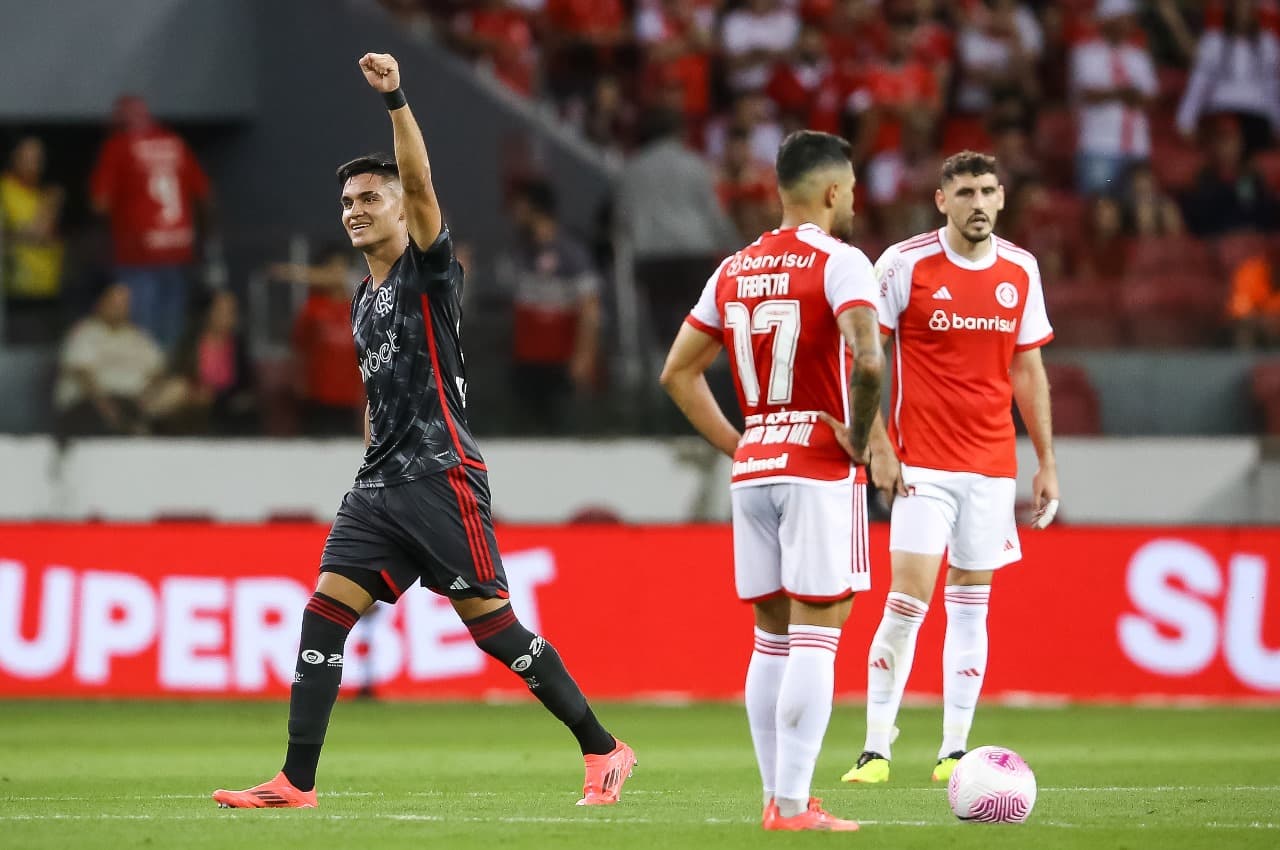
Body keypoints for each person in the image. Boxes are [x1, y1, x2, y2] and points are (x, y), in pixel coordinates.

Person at [212, 53, 633, 809]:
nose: (355, 210)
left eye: (370, 197)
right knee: (322, 614)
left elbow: (421, 184)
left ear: (402, 210)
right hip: (379, 486)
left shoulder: (427, 272)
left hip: (441, 478)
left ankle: (604, 749)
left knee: (496, 630)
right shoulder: (362, 298)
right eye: (346, 201)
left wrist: (396, 98)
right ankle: (294, 782)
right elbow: (379, 393)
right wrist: (370, 445)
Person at [660, 130, 883, 832]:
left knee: (770, 636)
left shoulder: (735, 268)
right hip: (817, 461)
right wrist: (860, 433)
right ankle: (791, 805)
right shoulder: (843, 262)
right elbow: (869, 360)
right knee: (819, 630)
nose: (852, 201)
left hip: (755, 466)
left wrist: (741, 443)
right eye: (849, 189)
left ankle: (777, 795)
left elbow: (678, 373)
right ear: (832, 192)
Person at [840, 151, 1058, 786]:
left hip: (992, 468)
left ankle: (954, 750)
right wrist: (877, 442)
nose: (979, 203)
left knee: (971, 607)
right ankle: (876, 747)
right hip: (921, 467)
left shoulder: (1021, 269)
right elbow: (865, 357)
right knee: (907, 599)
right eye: (965, 192)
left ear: (1002, 198)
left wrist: (1045, 462)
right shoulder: (904, 264)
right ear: (941, 201)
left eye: (989, 191)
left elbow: (1027, 370)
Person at [90, 95, 213, 352]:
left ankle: (146, 386)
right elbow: (204, 195)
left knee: (139, 332)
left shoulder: (118, 146)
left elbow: (99, 202)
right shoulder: (174, 142)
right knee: (171, 332)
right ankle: (165, 381)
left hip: (137, 253)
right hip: (178, 248)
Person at [498, 179, 601, 434]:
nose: (514, 214)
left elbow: (590, 308)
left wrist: (584, 356)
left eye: (519, 207)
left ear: (535, 208)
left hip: (561, 360)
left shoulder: (572, 253)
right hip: (525, 360)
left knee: (563, 430)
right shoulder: (518, 253)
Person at [54, 283, 166, 436]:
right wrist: (103, 403)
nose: (118, 308)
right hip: (90, 403)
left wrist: (146, 397)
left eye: (123, 303)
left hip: (133, 403)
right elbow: (82, 373)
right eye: (113, 302)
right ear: (100, 303)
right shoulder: (84, 332)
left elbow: (158, 372)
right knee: (105, 416)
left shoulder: (140, 337)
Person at [279, 246, 368, 437]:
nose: (337, 275)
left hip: (349, 396)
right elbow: (298, 347)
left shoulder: (359, 308)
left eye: (342, 268)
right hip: (317, 395)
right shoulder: (312, 309)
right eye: (333, 268)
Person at [0, 136, 65, 343]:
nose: (34, 163)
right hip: (18, 288)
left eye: (38, 158)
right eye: (27, 157)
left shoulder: (43, 191)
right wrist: (47, 211)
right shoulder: (5, 189)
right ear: (14, 158)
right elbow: (32, 233)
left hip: (49, 285)